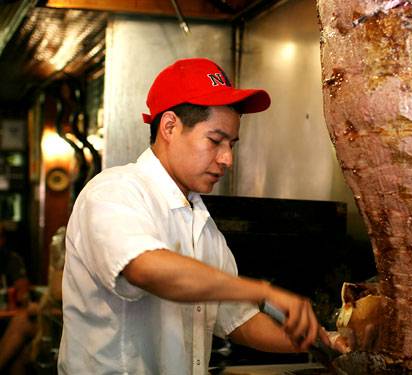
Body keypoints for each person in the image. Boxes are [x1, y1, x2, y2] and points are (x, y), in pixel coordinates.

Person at [58, 57, 337, 374]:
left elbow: (237, 320)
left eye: (231, 144)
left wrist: (321, 340)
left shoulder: (202, 225)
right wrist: (265, 291)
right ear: (170, 126)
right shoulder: (113, 192)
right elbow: (146, 270)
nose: (227, 159)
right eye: (215, 140)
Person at [0, 223, 36, 374]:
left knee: (20, 350)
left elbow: (23, 294)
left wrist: (22, 296)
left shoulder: (11, 260)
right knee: (18, 355)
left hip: (6, 319)